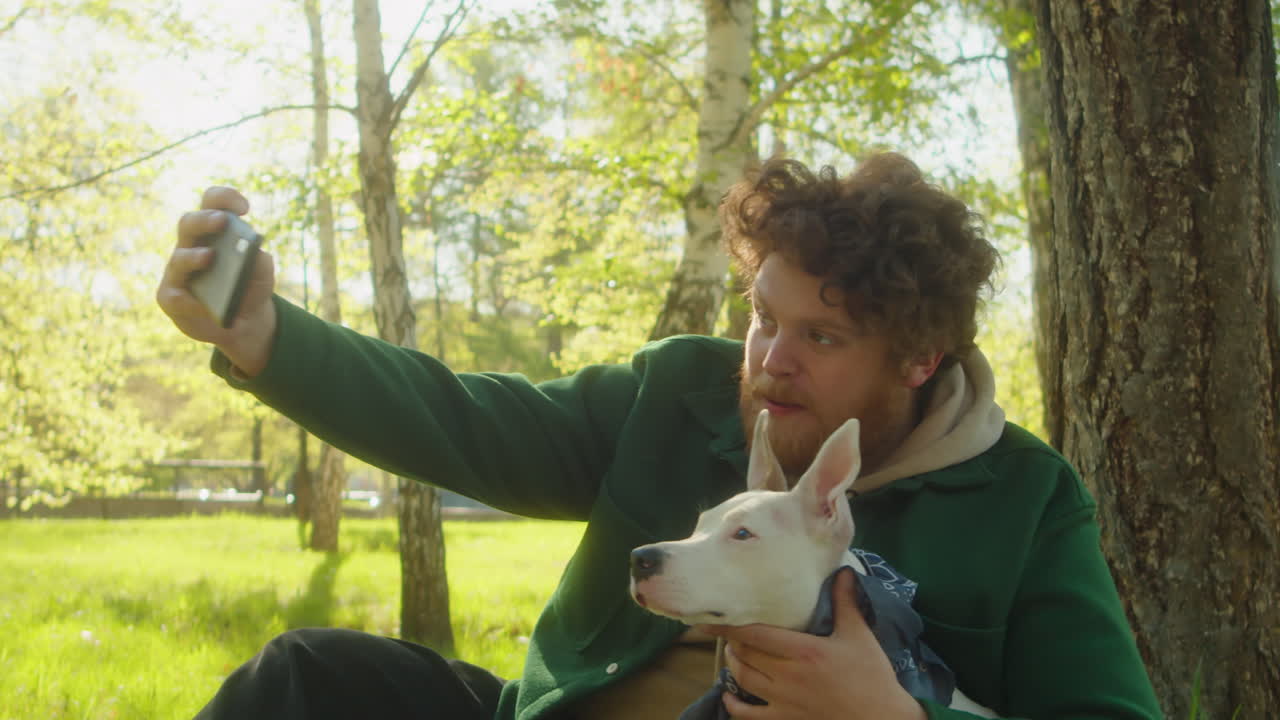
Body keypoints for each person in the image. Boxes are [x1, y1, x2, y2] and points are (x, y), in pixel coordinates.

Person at [157, 153, 1162, 720]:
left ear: (916, 360)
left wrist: (899, 718)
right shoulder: (677, 390)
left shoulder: (1022, 500)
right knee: (304, 682)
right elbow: (471, 423)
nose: (770, 358)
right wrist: (268, 342)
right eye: (764, 315)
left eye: (820, 337)